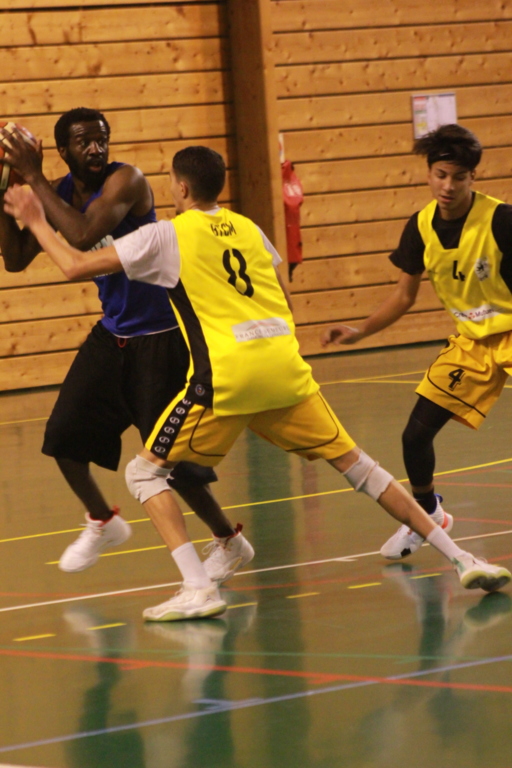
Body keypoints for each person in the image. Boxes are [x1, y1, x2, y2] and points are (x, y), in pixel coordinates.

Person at [5, 144, 511, 623]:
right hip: (286, 369)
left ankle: (197, 588)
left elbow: (74, 264)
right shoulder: (249, 229)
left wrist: (34, 218)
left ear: (180, 188)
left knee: (144, 474)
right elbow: (282, 298)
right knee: (362, 467)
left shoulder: (165, 235)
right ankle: (463, 558)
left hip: (228, 377)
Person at [0, 109, 253, 581]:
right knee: (63, 438)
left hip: (162, 338)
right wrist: (3, 195)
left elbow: (82, 234)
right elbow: (14, 259)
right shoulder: (57, 192)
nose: (95, 148)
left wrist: (31, 179)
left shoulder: (127, 182)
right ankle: (103, 520)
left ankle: (229, 540)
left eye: (101, 139)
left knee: (172, 465)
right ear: (63, 150)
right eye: (83, 142)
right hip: (113, 334)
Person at [321, 123, 512, 561]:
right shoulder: (421, 227)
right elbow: (404, 297)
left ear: (473, 177)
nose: (448, 186)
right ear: (429, 174)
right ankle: (427, 515)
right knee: (414, 436)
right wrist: (360, 331)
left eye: (458, 177)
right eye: (441, 175)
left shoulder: (502, 220)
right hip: (473, 343)